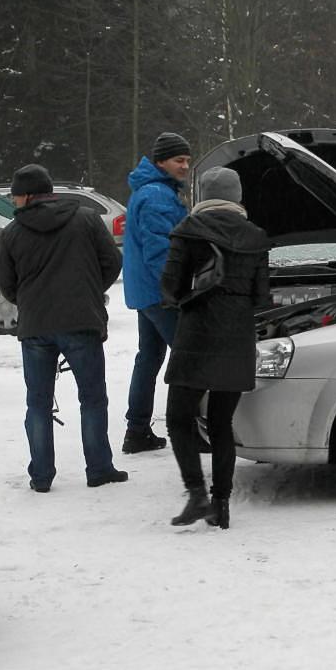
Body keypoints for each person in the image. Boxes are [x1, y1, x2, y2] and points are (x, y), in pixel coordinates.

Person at [0, 164, 126, 492]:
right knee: (93, 398)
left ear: (27, 195)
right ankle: (98, 468)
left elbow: (7, 285)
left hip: (36, 327)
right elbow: (112, 261)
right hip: (81, 320)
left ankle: (41, 476)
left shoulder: (11, 233)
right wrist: (91, 290)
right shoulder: (86, 219)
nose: (14, 202)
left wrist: (29, 300)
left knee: (37, 402)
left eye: (15, 196)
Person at [160, 166, 271, 530]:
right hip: (237, 336)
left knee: (179, 416)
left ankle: (196, 494)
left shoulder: (188, 231)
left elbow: (170, 287)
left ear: (204, 195)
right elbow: (260, 296)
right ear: (238, 196)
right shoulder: (256, 237)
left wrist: (186, 298)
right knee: (222, 422)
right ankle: (221, 504)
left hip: (197, 334)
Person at [121, 132, 192, 454]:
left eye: (188, 160)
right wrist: (176, 290)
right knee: (190, 359)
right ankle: (191, 430)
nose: (185, 166)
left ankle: (136, 430)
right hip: (161, 295)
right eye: (179, 160)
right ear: (160, 161)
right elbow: (160, 251)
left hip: (146, 293)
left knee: (148, 360)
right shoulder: (157, 197)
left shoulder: (151, 192)